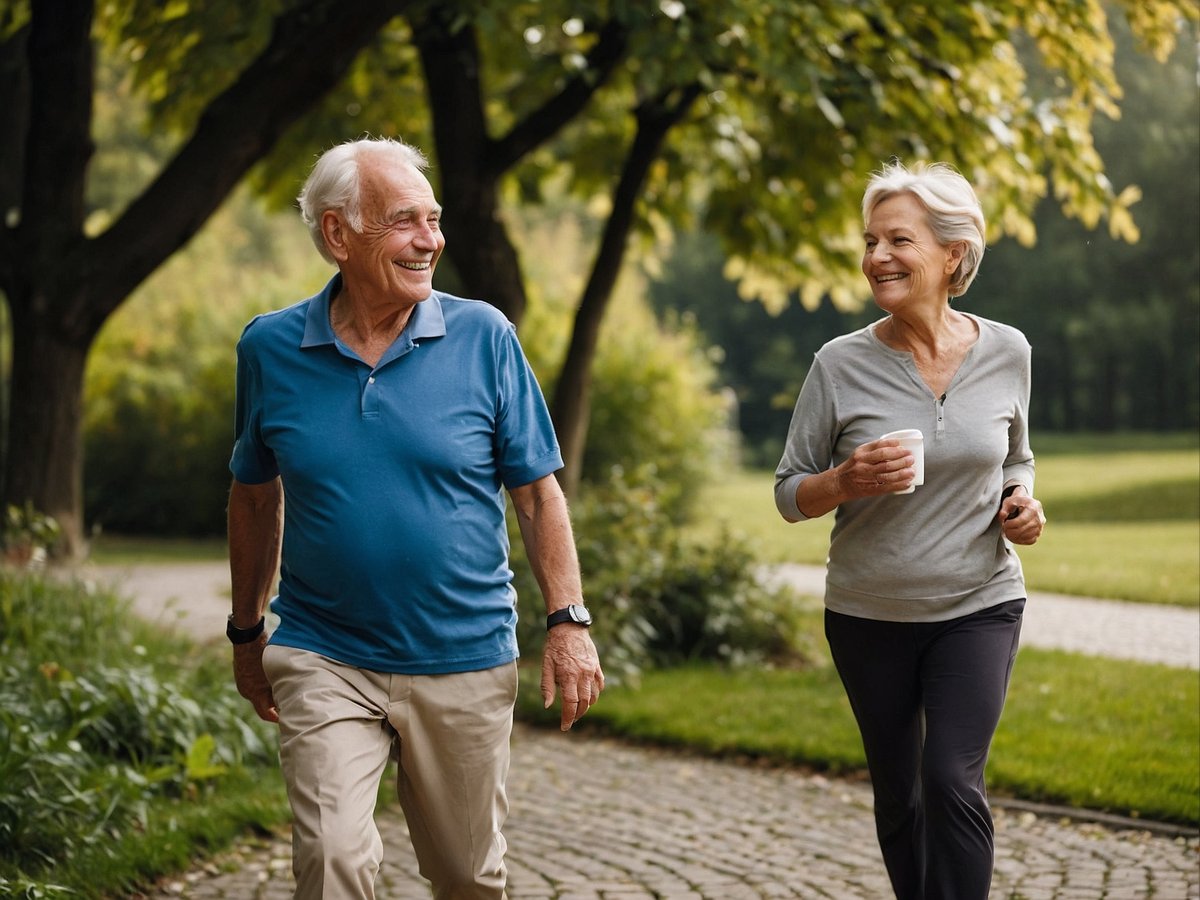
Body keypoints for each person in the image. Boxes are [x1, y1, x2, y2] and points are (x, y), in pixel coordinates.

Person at [226, 136, 604, 899]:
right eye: (404, 221)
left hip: (462, 653)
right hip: (323, 651)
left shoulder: (485, 336)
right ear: (338, 233)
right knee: (332, 859)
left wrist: (568, 620)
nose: (430, 239)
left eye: (432, 220)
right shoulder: (270, 348)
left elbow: (536, 493)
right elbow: (254, 495)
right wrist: (245, 632)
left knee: (467, 876)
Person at [774, 161, 1046, 900]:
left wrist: (1023, 501)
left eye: (899, 239)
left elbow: (1015, 457)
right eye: (870, 241)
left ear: (953, 254)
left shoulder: (1008, 351)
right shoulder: (839, 365)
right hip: (870, 615)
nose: (876, 257)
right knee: (901, 795)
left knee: (951, 778)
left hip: (979, 603)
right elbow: (788, 492)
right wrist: (844, 481)